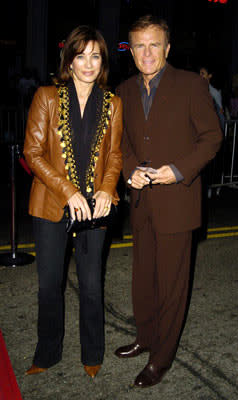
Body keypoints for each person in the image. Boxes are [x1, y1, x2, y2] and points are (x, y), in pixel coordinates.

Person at [114, 15, 222, 388]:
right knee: (143, 278)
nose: (146, 52)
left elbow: (211, 138)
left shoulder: (190, 85)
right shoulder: (125, 89)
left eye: (154, 44)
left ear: (168, 48)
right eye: (138, 45)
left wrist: (178, 170)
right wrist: (130, 170)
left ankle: (162, 357)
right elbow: (123, 142)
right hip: (141, 200)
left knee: (172, 284)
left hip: (178, 200)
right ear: (130, 50)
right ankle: (145, 337)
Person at [23, 25, 122, 378]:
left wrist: (108, 190)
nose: (89, 64)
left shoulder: (113, 104)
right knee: (50, 285)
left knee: (92, 284)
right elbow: (32, 153)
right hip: (52, 203)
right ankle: (47, 353)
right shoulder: (46, 97)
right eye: (81, 56)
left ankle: (92, 353)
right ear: (69, 60)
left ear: (103, 61)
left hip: (96, 207)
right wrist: (68, 191)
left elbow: (114, 157)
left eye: (96, 56)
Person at [199, 65, 226, 130]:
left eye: (203, 73)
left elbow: (220, 113)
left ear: (209, 76)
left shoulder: (215, 92)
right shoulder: (197, 90)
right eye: (199, 73)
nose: (200, 76)